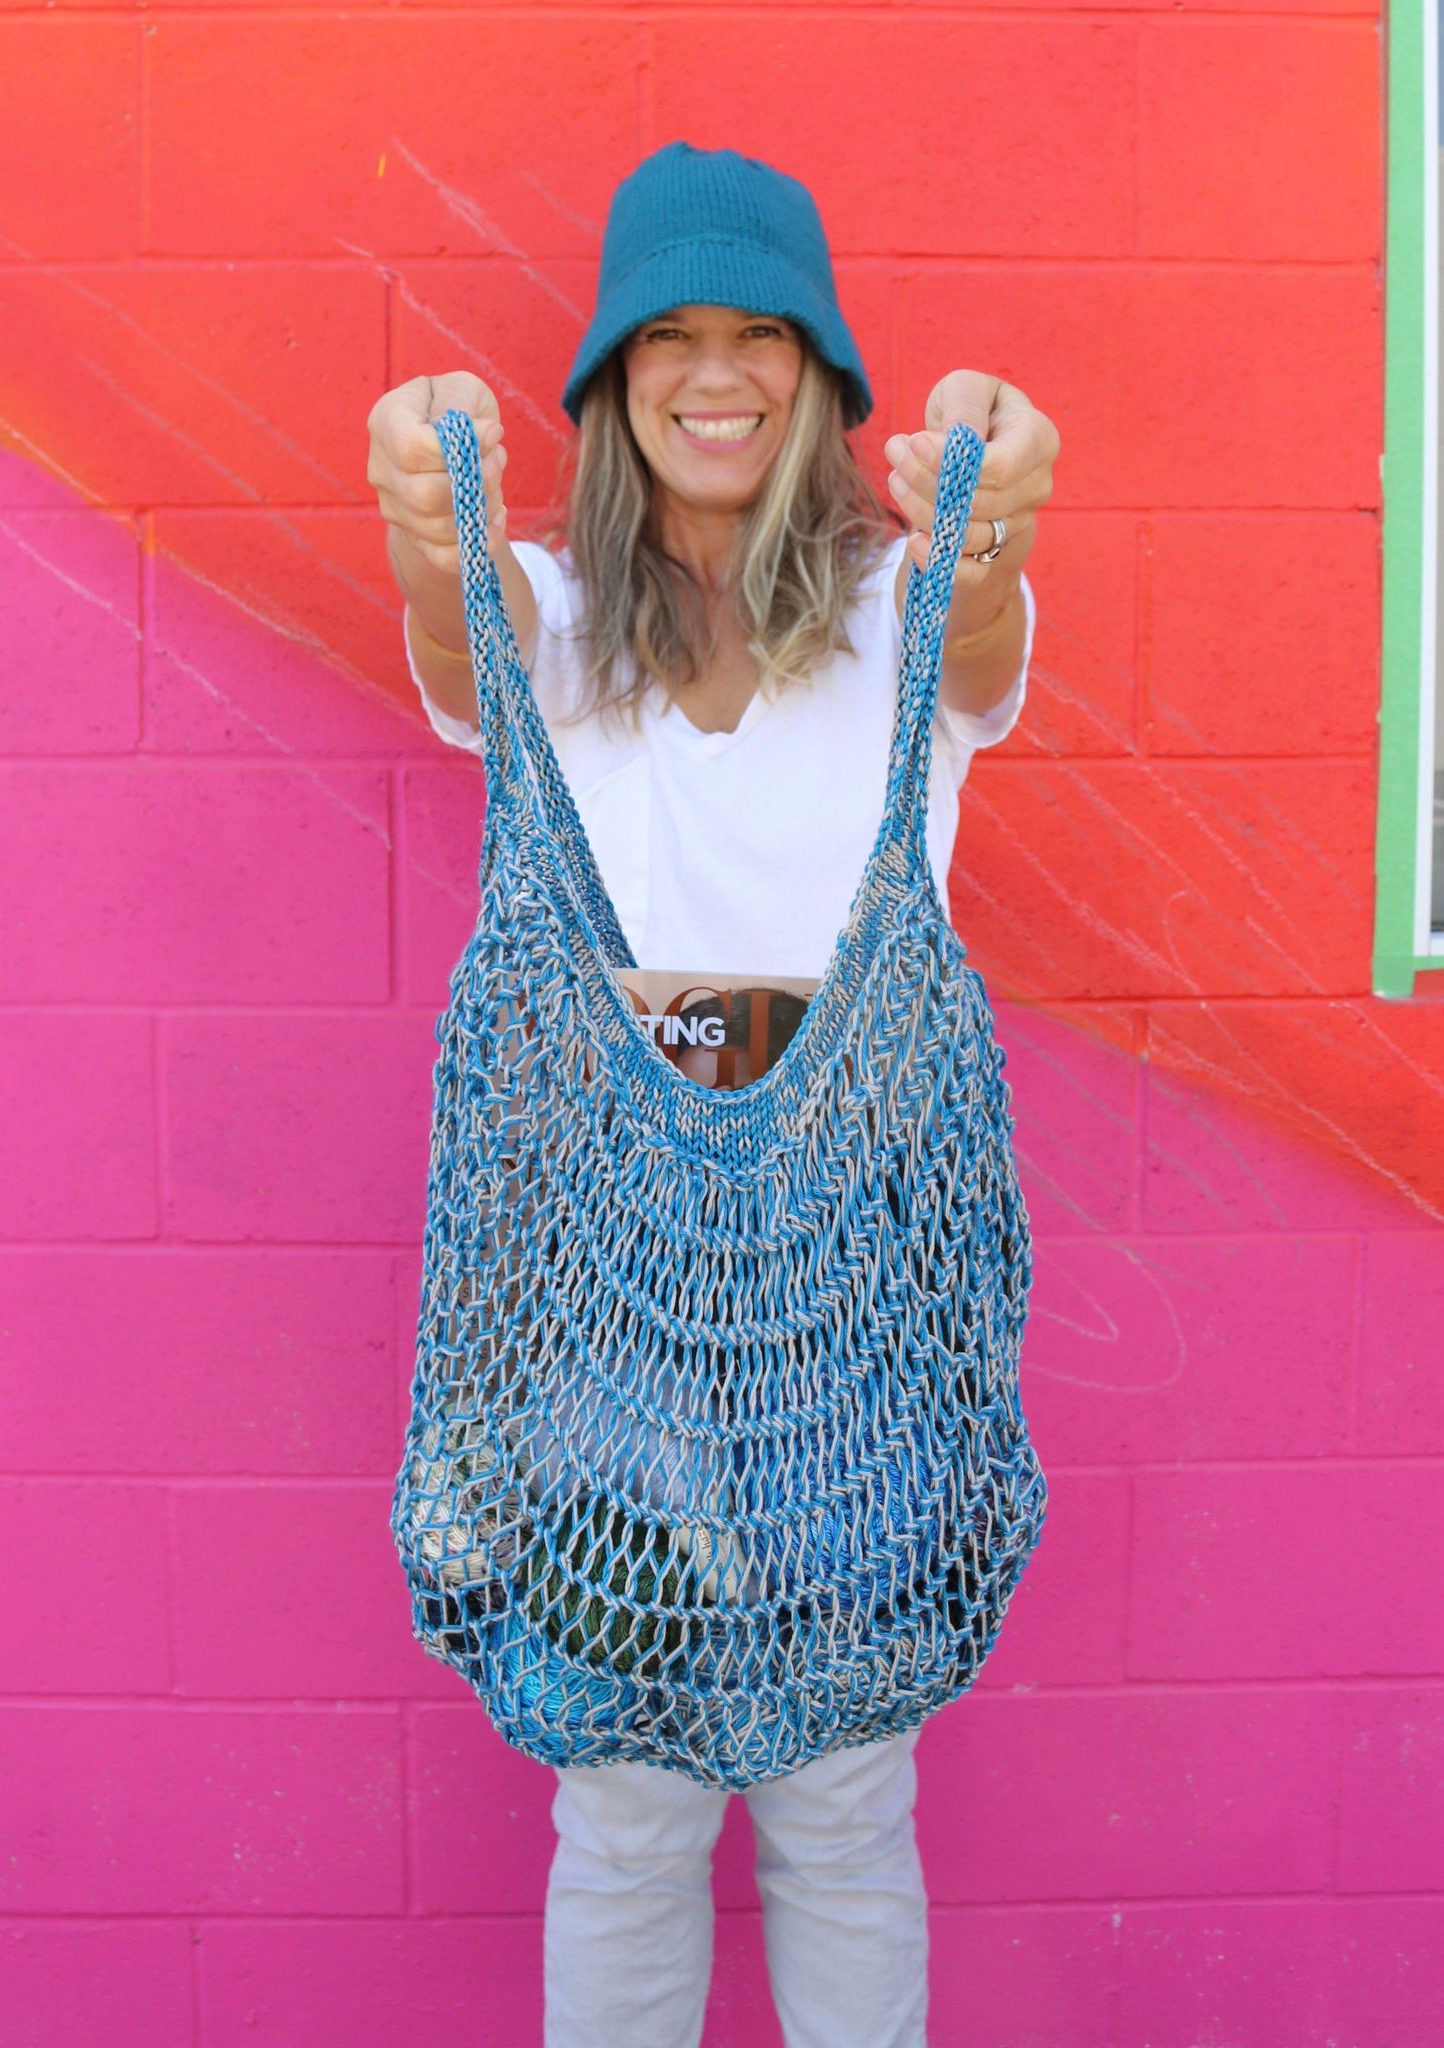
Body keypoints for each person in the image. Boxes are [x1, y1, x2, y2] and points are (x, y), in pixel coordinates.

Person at [369, 140, 1059, 2048]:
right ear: (612, 381)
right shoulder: (544, 618)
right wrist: (420, 511)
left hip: (856, 1300)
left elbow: (983, 628)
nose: (715, 372)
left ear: (818, 373)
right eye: (666, 335)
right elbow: (443, 614)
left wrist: (995, 524)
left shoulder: (904, 611)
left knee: (842, 1809)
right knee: (626, 1813)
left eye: (760, 332)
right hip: (607, 1306)